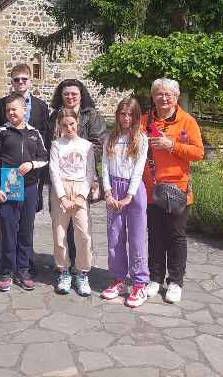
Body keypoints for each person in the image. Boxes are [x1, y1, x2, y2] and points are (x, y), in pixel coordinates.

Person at [142, 78, 204, 304]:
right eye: (159, 94)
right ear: (153, 96)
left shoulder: (187, 121)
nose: (163, 98)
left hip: (177, 189)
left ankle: (176, 281)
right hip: (151, 189)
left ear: (176, 97)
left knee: (176, 236)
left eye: (168, 94)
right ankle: (155, 278)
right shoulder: (144, 121)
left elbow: (198, 153)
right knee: (155, 235)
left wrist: (173, 146)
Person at [0, 63, 49, 273]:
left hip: (32, 175)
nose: (21, 82)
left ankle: (25, 263)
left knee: (27, 222)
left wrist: (37, 170)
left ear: (30, 81)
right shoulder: (1, 105)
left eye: (24, 79)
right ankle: (6, 263)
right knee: (8, 220)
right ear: (12, 82)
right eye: (16, 79)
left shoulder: (41, 106)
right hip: (10, 174)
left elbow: (44, 140)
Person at [46, 79, 107, 271]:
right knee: (61, 226)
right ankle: (65, 264)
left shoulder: (91, 115)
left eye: (74, 93)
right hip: (60, 178)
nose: (70, 97)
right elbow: (49, 143)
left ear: (81, 95)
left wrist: (78, 153)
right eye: (66, 94)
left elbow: (99, 143)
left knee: (81, 227)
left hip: (81, 178)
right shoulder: (54, 116)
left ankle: (80, 267)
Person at [100, 98, 150, 307]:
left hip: (133, 191)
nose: (126, 118)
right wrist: (108, 192)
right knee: (115, 236)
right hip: (114, 189)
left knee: (137, 238)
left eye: (130, 114)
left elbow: (138, 170)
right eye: (123, 114)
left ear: (136, 117)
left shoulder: (141, 139)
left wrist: (129, 196)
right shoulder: (110, 138)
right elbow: (104, 165)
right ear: (118, 115)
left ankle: (139, 283)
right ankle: (118, 278)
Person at [48, 109, 97, 297]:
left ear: (78, 122)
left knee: (83, 234)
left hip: (79, 189)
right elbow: (54, 171)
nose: (69, 128)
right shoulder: (56, 145)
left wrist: (81, 196)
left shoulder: (87, 146)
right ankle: (64, 271)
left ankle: (82, 272)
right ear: (59, 126)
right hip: (61, 189)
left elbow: (90, 171)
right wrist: (62, 197)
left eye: (72, 124)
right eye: (64, 125)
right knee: (59, 234)